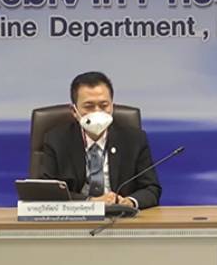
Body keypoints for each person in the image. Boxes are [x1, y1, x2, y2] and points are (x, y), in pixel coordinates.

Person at [40, 71, 161, 209]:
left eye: (104, 105)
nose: (97, 112)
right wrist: (90, 201)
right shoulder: (57, 140)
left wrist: (130, 201)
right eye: (89, 106)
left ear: (112, 107)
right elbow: (47, 191)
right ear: (74, 111)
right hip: (76, 216)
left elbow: (151, 189)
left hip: (120, 216)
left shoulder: (134, 139)